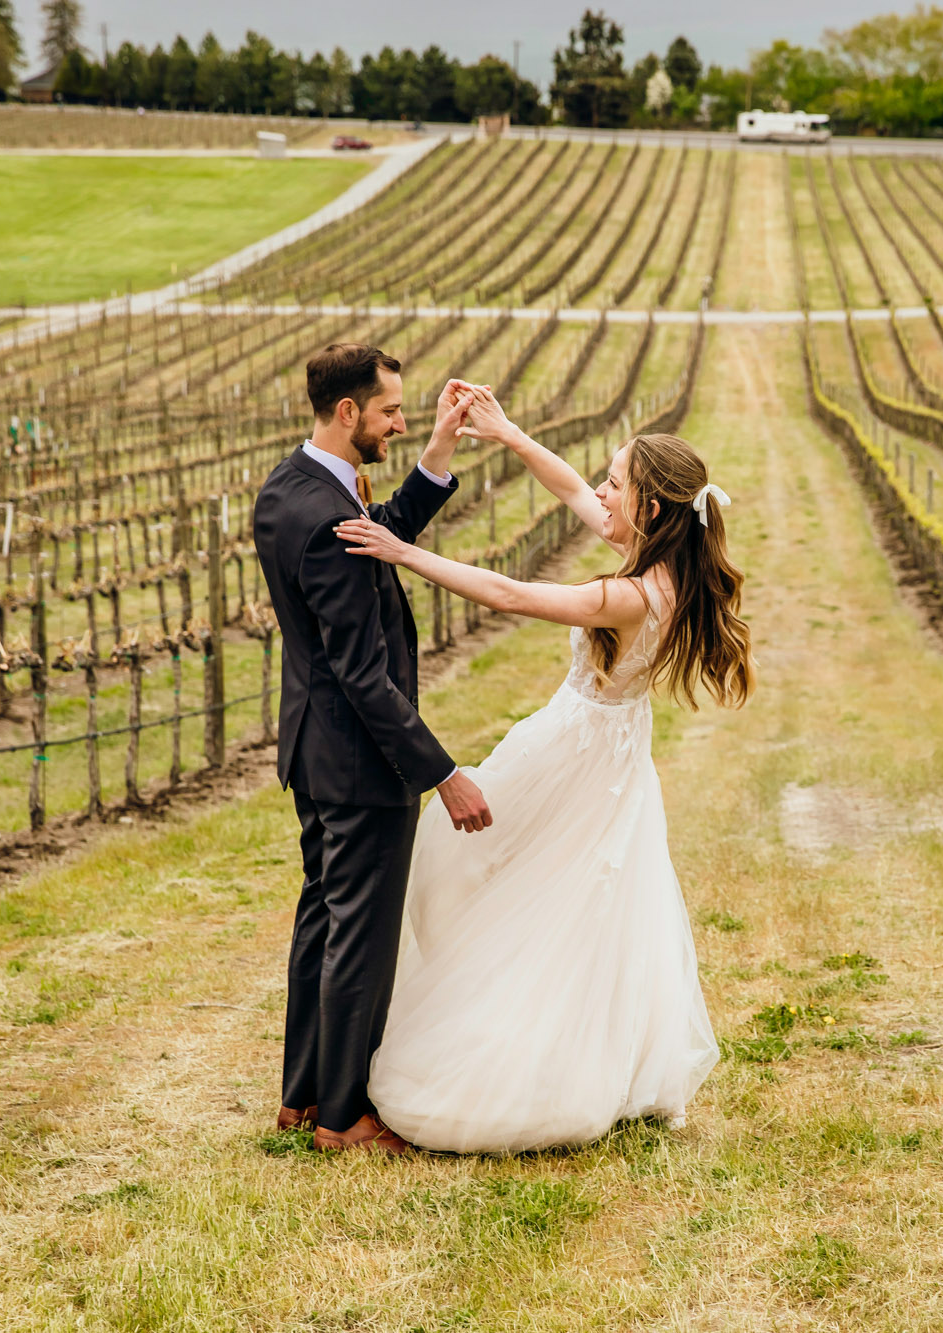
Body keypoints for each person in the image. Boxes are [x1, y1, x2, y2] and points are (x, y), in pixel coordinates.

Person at [335, 387, 754, 1153]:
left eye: (616, 483)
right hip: (612, 748)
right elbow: (566, 485)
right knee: (561, 892)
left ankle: (509, 1055)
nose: (600, 491)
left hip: (577, 747)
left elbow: (510, 593)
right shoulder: (662, 560)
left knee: (502, 875)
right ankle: (539, 1037)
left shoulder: (631, 594)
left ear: (651, 510)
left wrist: (402, 551)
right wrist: (507, 432)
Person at [251, 344, 493, 1156]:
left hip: (314, 753)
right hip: (360, 764)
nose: (399, 420)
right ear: (348, 412)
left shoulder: (292, 487)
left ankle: (301, 1096)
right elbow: (362, 674)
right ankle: (342, 1118)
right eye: (391, 411)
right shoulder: (324, 516)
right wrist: (444, 772)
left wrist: (436, 452)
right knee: (360, 931)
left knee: (322, 917)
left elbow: (377, 536)